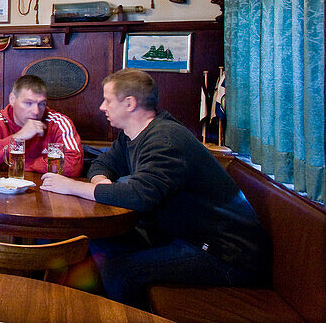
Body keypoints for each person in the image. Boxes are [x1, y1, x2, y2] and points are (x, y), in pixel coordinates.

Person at [40, 68, 267, 308]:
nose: (101, 107)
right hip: (179, 238)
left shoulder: (165, 140)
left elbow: (139, 196)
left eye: (107, 100)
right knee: (98, 238)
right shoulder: (132, 134)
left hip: (223, 254)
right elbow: (103, 163)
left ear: (129, 103)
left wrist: (73, 187)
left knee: (122, 271)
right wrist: (101, 182)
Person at [0, 74, 83, 177]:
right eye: (28, 103)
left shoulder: (58, 123)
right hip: (2, 192)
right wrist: (18, 137)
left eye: (42, 104)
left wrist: (30, 165)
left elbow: (74, 165)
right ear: (13, 100)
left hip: (46, 193)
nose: (36, 111)